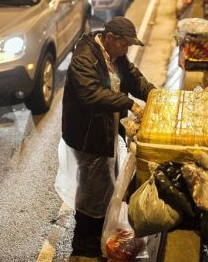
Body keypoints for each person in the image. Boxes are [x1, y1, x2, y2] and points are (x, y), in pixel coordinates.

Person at [60, 16, 156, 259]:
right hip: (87, 135)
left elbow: (133, 78)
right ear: (110, 38)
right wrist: (130, 104)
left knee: (104, 186)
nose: (127, 50)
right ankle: (84, 244)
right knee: (91, 189)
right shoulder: (84, 57)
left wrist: (156, 96)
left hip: (106, 130)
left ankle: (100, 235)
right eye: (124, 44)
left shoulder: (115, 55)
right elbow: (91, 94)